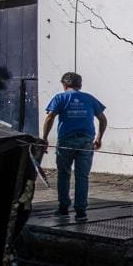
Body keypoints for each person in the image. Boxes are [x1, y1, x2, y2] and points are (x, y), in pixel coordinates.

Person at [41, 72, 107, 221]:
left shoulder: (60, 98)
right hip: (86, 141)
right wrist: (99, 138)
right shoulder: (89, 98)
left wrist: (44, 138)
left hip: (66, 142)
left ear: (64, 85)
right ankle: (81, 211)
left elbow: (50, 117)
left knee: (64, 174)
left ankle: (63, 208)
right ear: (80, 85)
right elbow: (103, 119)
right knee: (82, 176)